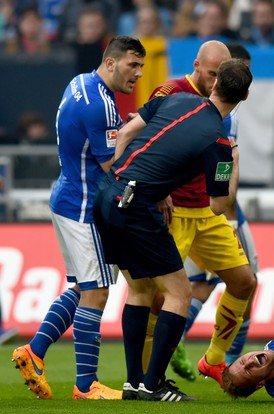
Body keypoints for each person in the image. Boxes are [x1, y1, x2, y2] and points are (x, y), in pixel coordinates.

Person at [92, 58, 253, 401]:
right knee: (179, 293)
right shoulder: (220, 144)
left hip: (108, 195)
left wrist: (122, 174)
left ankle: (135, 383)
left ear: (214, 84)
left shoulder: (176, 99)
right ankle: (154, 385)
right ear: (246, 96)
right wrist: (234, 161)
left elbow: (128, 131)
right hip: (138, 208)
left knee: (139, 291)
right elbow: (220, 206)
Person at [12, 35, 145, 400]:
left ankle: (34, 352)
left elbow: (96, 136)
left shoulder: (80, 83)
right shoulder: (101, 105)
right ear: (112, 62)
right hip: (85, 206)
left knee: (84, 288)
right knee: (98, 291)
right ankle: (86, 386)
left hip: (67, 195)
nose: (138, 74)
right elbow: (110, 164)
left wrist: (122, 126)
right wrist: (137, 129)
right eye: (133, 65)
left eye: (142, 67)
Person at [140, 40, 257, 387]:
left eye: (219, 76)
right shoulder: (172, 92)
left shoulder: (225, 112)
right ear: (197, 66)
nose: (213, 82)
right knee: (158, 298)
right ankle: (148, 377)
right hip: (172, 212)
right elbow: (143, 138)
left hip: (207, 212)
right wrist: (156, 192)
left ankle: (214, 360)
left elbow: (220, 185)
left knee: (244, 281)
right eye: (210, 74)